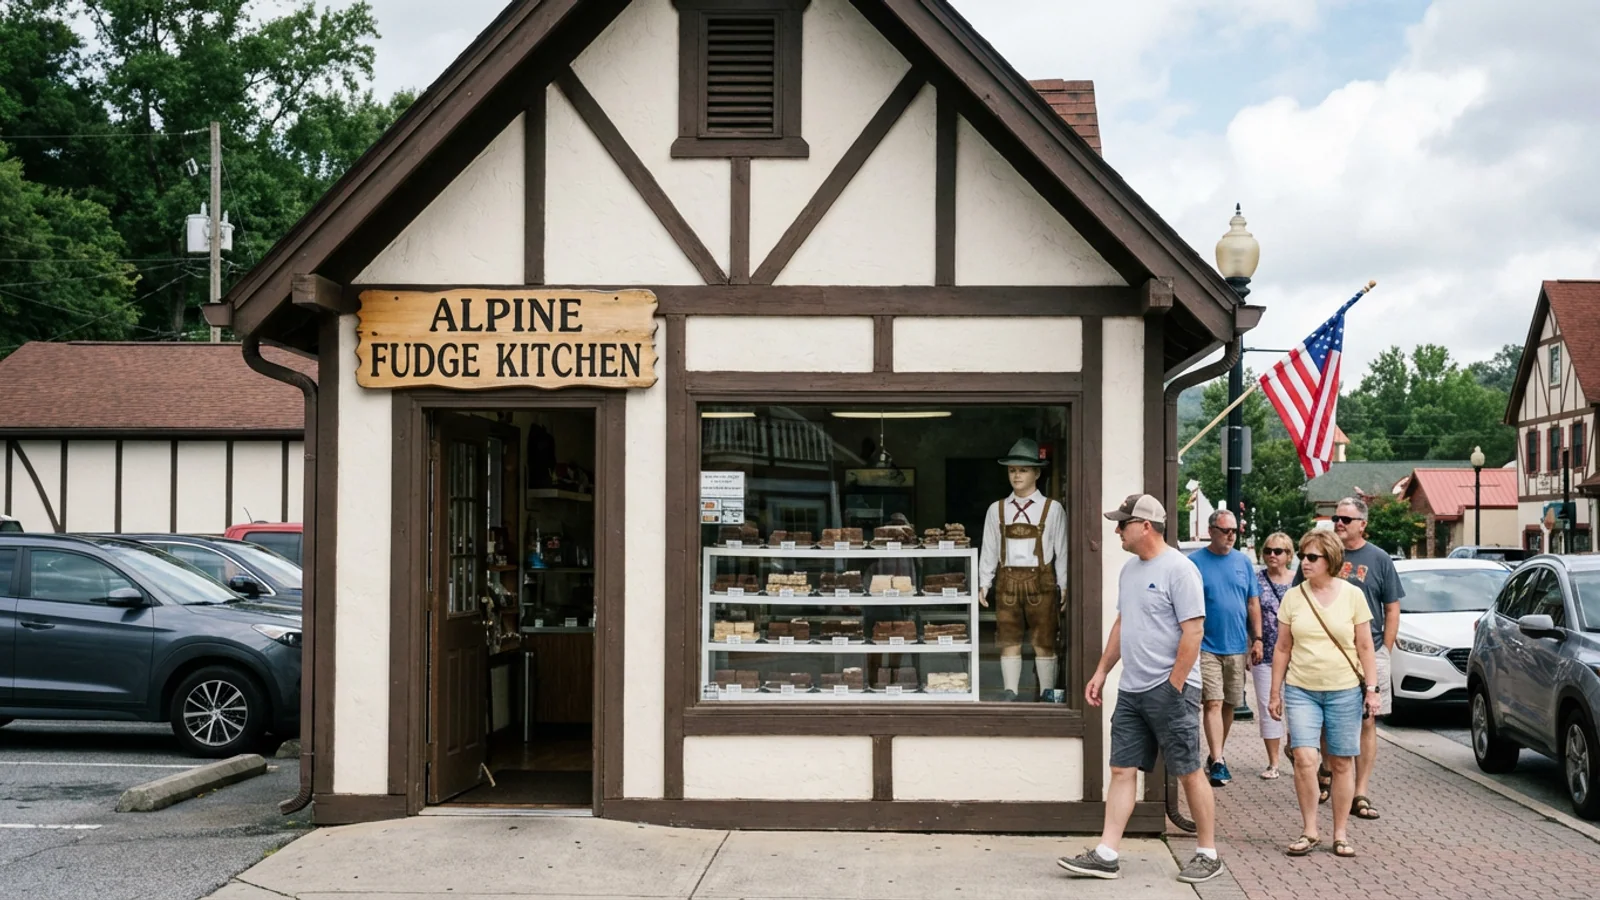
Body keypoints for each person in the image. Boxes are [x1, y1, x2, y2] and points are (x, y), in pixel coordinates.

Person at [1058, 494, 1224, 885]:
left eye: (1122, 523)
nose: (1116, 529)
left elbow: (1194, 631)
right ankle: (1107, 853)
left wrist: (1175, 684)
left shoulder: (1180, 570)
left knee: (1187, 769)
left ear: (1145, 526)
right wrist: (1101, 672)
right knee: (1121, 768)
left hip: (1172, 689)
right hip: (1133, 689)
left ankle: (1207, 853)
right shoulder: (1130, 570)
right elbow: (1123, 624)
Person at [1269, 529, 1382, 859]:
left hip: (1344, 690)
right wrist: (1275, 692)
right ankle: (1309, 830)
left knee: (1342, 762)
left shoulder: (1352, 596)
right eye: (1303, 556)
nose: (1304, 562)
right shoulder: (1294, 597)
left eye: (1312, 557)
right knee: (1305, 759)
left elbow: (1364, 646)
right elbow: (1282, 648)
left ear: (1330, 560)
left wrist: (1372, 690)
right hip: (1301, 688)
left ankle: (1341, 833)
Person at [1295, 497, 1404, 818]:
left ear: (1362, 524)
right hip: (1327, 656)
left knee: (1367, 722)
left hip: (1368, 652)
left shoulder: (1379, 559)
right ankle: (1328, 770)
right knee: (1329, 721)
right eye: (1336, 518)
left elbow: (1392, 607)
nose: (1338, 523)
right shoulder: (1322, 554)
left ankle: (1360, 792)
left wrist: (1385, 648)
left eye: (1345, 519)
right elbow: (1300, 599)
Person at [978, 438, 1068, 701]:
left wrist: (1065, 584)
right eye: (1012, 470)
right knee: (1009, 640)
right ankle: (1011, 693)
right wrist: (985, 582)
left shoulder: (1053, 510)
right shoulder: (997, 509)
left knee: (1044, 641)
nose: (1016, 475)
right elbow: (990, 549)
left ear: (1037, 473)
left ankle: (1048, 695)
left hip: (1042, 582)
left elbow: (1062, 551)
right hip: (1006, 581)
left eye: (1023, 469)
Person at [1186, 509, 1261, 787]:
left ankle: (1216, 753)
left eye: (1234, 531)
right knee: (1213, 701)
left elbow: (1253, 603)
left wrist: (1258, 639)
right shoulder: (1194, 563)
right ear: (1212, 531)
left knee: (1230, 702)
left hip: (1236, 645)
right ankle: (1218, 759)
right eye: (1225, 531)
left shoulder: (1243, 562)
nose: (1231, 536)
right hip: (1206, 645)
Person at [1252, 531, 1296, 779]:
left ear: (1288, 555)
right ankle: (1273, 762)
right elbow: (1251, 612)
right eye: (1268, 550)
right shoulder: (1257, 580)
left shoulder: (1298, 581)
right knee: (1268, 705)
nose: (1272, 555)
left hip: (1296, 654)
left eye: (1278, 551)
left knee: (1295, 706)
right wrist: (1253, 642)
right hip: (1265, 652)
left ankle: (1294, 749)